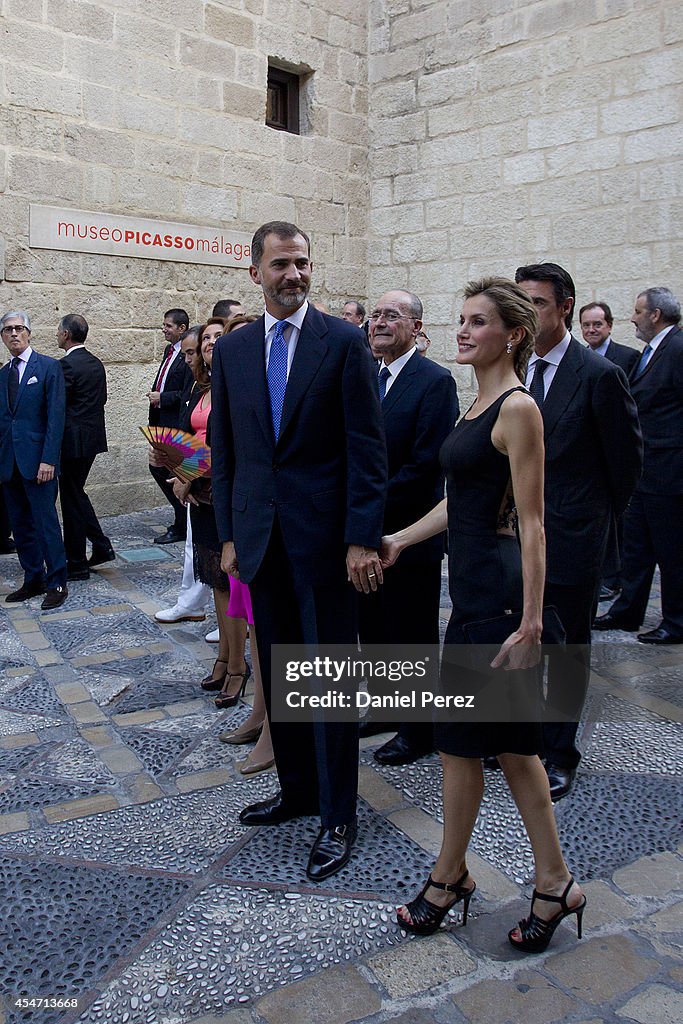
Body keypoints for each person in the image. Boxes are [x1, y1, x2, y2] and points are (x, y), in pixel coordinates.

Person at [382, 277, 585, 953]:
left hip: (496, 604)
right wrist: (401, 539)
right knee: (507, 750)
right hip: (470, 595)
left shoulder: (517, 408)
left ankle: (449, 879)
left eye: (476, 321)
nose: (462, 331)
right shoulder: (478, 407)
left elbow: (532, 524)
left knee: (463, 748)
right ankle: (552, 884)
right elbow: (462, 503)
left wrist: (529, 624)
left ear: (513, 334)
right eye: (460, 319)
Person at [211, 220, 386, 882]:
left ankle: (338, 813)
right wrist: (229, 534)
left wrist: (360, 538)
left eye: (303, 263)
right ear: (254, 271)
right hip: (260, 543)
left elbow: (368, 452)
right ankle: (298, 793)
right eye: (281, 263)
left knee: (332, 681)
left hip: (325, 548)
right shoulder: (233, 352)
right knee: (282, 676)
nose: (294, 274)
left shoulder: (342, 343)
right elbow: (228, 453)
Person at [515, 262, 642, 800]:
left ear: (564, 306)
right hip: (514, 538)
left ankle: (561, 751)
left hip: (572, 537)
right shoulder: (513, 367)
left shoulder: (597, 375)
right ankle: (520, 742)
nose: (526, 314)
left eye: (537, 304)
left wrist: (592, 522)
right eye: (519, 303)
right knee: (518, 641)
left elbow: (625, 464)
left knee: (566, 648)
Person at [359, 289, 458, 765]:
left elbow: (425, 465)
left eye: (391, 316)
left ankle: (418, 731)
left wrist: (366, 507)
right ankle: (386, 706)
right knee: (373, 627)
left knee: (409, 632)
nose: (379, 322)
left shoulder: (434, 382)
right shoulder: (366, 376)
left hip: (410, 532)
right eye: (376, 314)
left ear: (416, 327)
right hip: (365, 532)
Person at [594, 287, 683, 644]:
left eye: (637, 312)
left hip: (671, 472)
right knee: (637, 547)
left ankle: (676, 621)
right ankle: (627, 610)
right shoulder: (654, 350)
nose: (632, 318)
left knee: (672, 551)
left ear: (655, 315)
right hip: (647, 473)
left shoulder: (676, 349)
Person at [171, 319, 249, 700]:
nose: (211, 344)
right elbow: (190, 438)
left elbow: (228, 445)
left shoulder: (238, 385)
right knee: (216, 582)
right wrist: (174, 464)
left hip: (224, 492)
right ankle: (223, 657)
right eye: (206, 338)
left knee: (230, 579)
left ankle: (238, 666)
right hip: (201, 495)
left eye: (220, 337)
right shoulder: (200, 387)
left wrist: (188, 474)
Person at [0, 310, 68, 610]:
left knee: (45, 523)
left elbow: (56, 417)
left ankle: (57, 581)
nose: (14, 334)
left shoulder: (49, 368)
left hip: (39, 462)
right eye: (8, 330)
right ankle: (33, 578)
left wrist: (49, 460)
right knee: (20, 525)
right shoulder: (3, 374)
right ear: (3, 337)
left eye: (19, 328)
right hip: (8, 462)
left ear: (28, 333)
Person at [155, 327, 212, 625]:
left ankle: (234, 620)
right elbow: (189, 429)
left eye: (192, 352)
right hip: (195, 473)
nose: (189, 359)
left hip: (210, 477)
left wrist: (189, 474)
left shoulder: (221, 385)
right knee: (197, 547)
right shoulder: (198, 385)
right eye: (187, 353)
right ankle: (191, 602)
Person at [56, 314, 114, 580]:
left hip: (72, 441)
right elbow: (101, 398)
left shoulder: (66, 365)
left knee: (71, 497)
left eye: (59, 332)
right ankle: (99, 546)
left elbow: (60, 405)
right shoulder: (96, 363)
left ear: (66, 335)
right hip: (91, 439)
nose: (57, 336)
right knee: (75, 493)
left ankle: (78, 561)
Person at [147, 308, 193, 545]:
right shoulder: (169, 351)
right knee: (157, 467)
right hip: (160, 420)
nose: (164, 329)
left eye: (168, 325)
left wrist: (162, 398)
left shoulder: (188, 355)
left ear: (181, 328)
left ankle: (182, 523)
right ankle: (182, 519)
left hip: (175, 422)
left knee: (172, 472)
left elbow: (187, 392)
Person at [579, 302, 639, 374]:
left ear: (609, 326)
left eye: (597, 324)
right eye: (586, 325)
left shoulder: (629, 357)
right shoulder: (578, 359)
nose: (591, 330)